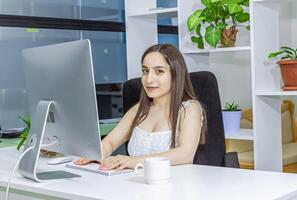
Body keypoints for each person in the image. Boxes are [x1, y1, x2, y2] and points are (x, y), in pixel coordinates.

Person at [75, 43, 206, 171]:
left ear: (176, 74)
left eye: (159, 71)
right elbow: (110, 142)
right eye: (145, 71)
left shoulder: (190, 108)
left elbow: (186, 154)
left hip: (175, 186)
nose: (149, 79)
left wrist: (132, 161)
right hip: (135, 185)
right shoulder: (139, 110)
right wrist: (95, 154)